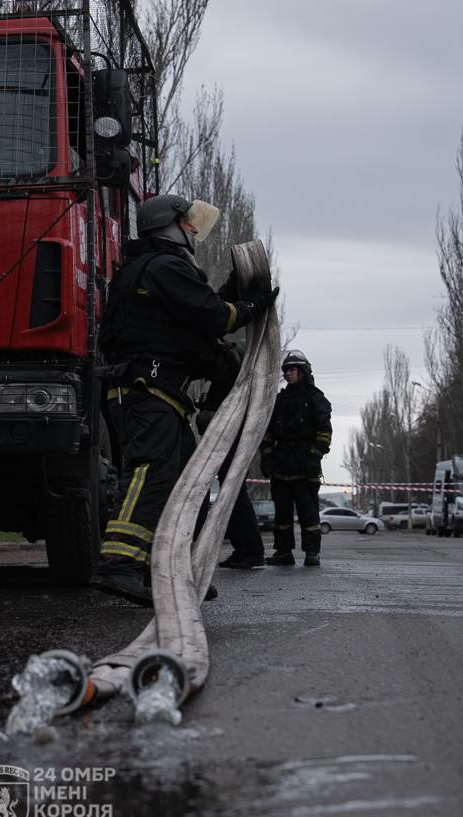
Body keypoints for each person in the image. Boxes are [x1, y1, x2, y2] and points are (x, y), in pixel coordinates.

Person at [89, 194, 278, 606]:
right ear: (170, 225)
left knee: (186, 485)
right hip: (148, 389)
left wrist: (230, 294)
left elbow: (194, 316)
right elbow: (215, 317)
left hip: (164, 393)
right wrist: (251, 306)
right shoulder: (165, 265)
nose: (194, 229)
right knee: (151, 474)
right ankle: (119, 564)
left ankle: (166, 570)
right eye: (189, 223)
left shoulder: (157, 269)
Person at [193, 340, 266, 570]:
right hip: (226, 437)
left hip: (230, 438)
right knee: (229, 495)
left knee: (234, 494)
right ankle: (242, 549)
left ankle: (253, 551)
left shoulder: (235, 377)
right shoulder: (232, 379)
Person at [260, 350, 332, 567]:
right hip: (281, 465)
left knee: (308, 513)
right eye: (287, 370)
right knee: (282, 513)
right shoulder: (280, 400)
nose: (289, 373)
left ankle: (312, 552)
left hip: (305, 465)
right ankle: (283, 552)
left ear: (303, 372)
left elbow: (324, 433)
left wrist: (314, 456)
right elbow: (268, 432)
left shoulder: (316, 399)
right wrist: (266, 456)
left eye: (293, 370)